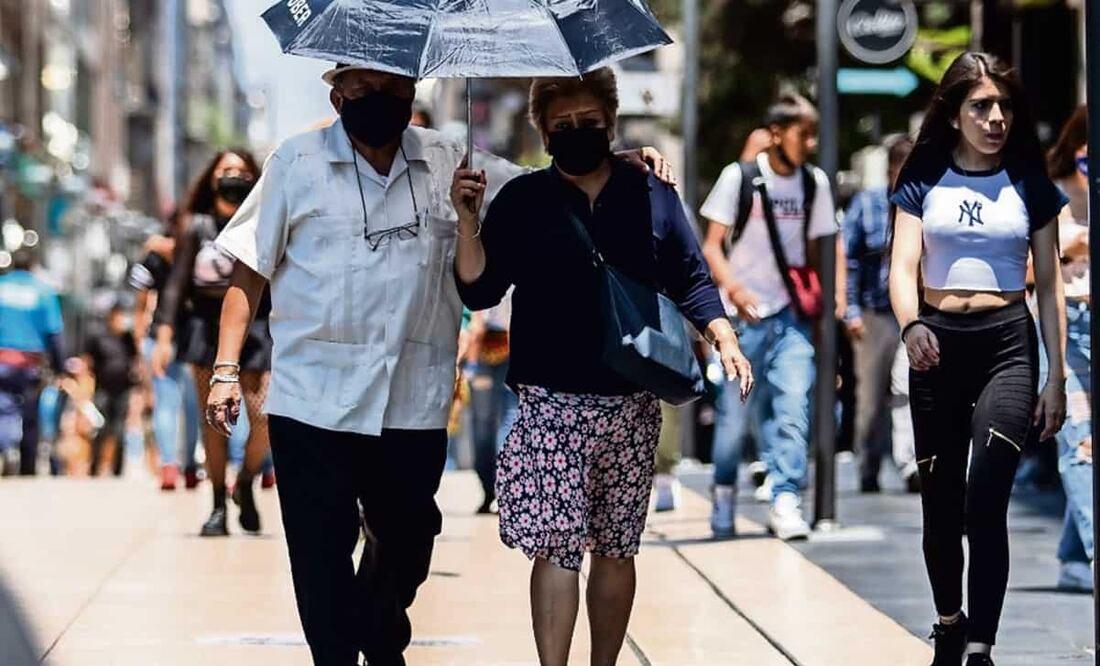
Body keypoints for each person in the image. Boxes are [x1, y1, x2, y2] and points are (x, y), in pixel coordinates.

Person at [205, 63, 675, 666]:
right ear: (338, 97)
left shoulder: (450, 158)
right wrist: (225, 369)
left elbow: (544, 184)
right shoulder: (295, 163)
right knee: (320, 557)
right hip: (313, 398)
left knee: (408, 544)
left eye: (394, 89)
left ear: (412, 94)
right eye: (364, 90)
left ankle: (378, 636)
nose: (380, 99)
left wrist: (617, 157)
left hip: (413, 399)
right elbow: (249, 268)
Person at [453, 68, 752, 666]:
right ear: (543, 132)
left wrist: (724, 338)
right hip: (551, 400)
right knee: (558, 546)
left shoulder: (650, 191)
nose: (575, 131)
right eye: (561, 124)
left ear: (611, 123)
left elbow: (690, 275)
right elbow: (480, 289)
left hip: (631, 398)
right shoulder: (525, 199)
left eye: (588, 121)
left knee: (617, 547)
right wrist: (467, 222)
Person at [889, 52, 1067, 666]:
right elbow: (901, 268)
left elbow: (1049, 284)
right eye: (981, 106)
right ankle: (949, 622)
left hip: (1007, 346)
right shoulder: (922, 179)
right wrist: (911, 324)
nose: (996, 119)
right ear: (954, 113)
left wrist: (1057, 378)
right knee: (940, 506)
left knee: (985, 500)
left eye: (1005, 107)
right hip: (936, 345)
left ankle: (981, 647)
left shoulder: (1030, 184)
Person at [700, 94, 837, 540]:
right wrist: (735, 290)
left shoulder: (814, 183)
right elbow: (712, 247)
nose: (811, 143)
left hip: (790, 316)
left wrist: (826, 307)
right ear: (777, 134)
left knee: (793, 407)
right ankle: (723, 493)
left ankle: (785, 497)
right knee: (733, 419)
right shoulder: (740, 177)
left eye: (814, 134)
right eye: (804, 134)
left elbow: (816, 251)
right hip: (741, 321)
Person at [151, 149, 271, 536]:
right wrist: (164, 335)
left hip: (258, 330)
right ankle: (218, 504)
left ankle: (247, 480)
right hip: (205, 331)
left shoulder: (264, 220)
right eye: (226, 170)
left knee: (266, 416)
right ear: (212, 177)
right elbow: (176, 284)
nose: (234, 176)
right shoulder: (197, 226)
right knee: (214, 424)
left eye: (241, 171)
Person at [843, 135, 916, 492]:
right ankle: (868, 464)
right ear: (891, 170)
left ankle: (909, 464)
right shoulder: (868, 204)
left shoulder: (926, 203)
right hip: (875, 313)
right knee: (871, 400)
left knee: (907, 390)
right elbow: (848, 258)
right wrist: (851, 311)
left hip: (912, 315)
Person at [1042, 105, 1092, 591]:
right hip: (1067, 325)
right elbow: (1023, 266)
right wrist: (1068, 247)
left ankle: (1073, 557)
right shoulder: (1050, 192)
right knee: (1081, 444)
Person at [0, 248, 65, 476]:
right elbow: (54, 333)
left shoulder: (1, 287)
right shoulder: (43, 292)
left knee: (3, 406)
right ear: (32, 266)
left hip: (2, 361)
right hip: (30, 364)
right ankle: (27, 464)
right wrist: (59, 366)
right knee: (30, 412)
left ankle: (6, 447)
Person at [466, 301, 518, 514]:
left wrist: (471, 362)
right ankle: (502, 489)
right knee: (510, 418)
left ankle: (491, 489)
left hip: (482, 351)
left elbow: (477, 321)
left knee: (483, 423)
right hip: (514, 345)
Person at [83, 303, 141, 476]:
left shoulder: (127, 339)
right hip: (103, 389)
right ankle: (94, 466)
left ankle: (117, 469)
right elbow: (88, 361)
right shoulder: (99, 337)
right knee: (100, 428)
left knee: (120, 430)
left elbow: (136, 359)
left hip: (123, 390)